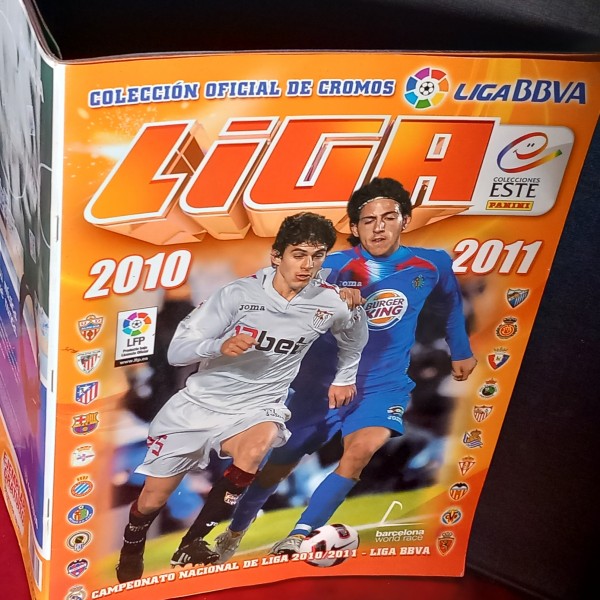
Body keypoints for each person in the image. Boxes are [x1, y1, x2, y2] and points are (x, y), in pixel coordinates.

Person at [214, 177, 477, 560]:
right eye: (368, 220)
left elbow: (450, 305)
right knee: (276, 469)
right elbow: (277, 295)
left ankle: (299, 536)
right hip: (322, 387)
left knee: (360, 452)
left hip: (382, 386)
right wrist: (327, 296)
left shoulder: (432, 263)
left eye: (389, 217)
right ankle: (235, 531)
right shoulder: (332, 266)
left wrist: (461, 351)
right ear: (354, 226)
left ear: (405, 220)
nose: (379, 227)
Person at [115, 212, 368, 582]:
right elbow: (178, 351)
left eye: (317, 256)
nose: (307, 265)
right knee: (152, 498)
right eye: (298, 254)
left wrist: (345, 377)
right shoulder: (236, 294)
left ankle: (193, 542)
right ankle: (132, 544)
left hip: (259, 407)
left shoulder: (331, 301)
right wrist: (219, 345)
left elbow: (355, 336)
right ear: (277, 255)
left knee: (259, 442)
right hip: (199, 406)